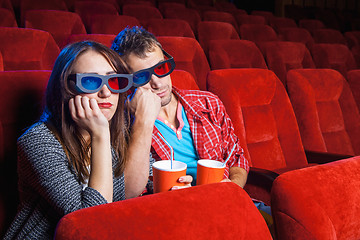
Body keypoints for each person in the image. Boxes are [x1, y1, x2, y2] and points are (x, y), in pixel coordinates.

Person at [4, 41, 155, 239]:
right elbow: (90, 221)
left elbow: (146, 183)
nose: (106, 93)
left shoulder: (119, 134)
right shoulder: (37, 141)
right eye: (91, 81)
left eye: (114, 81)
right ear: (66, 88)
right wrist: (100, 135)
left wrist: (174, 185)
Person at [111, 27, 249, 188]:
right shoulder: (121, 124)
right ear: (127, 81)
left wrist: (233, 186)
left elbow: (236, 157)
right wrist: (142, 122)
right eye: (142, 76)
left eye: (160, 68)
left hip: (226, 199)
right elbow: (127, 190)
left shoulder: (208, 103)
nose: (157, 83)